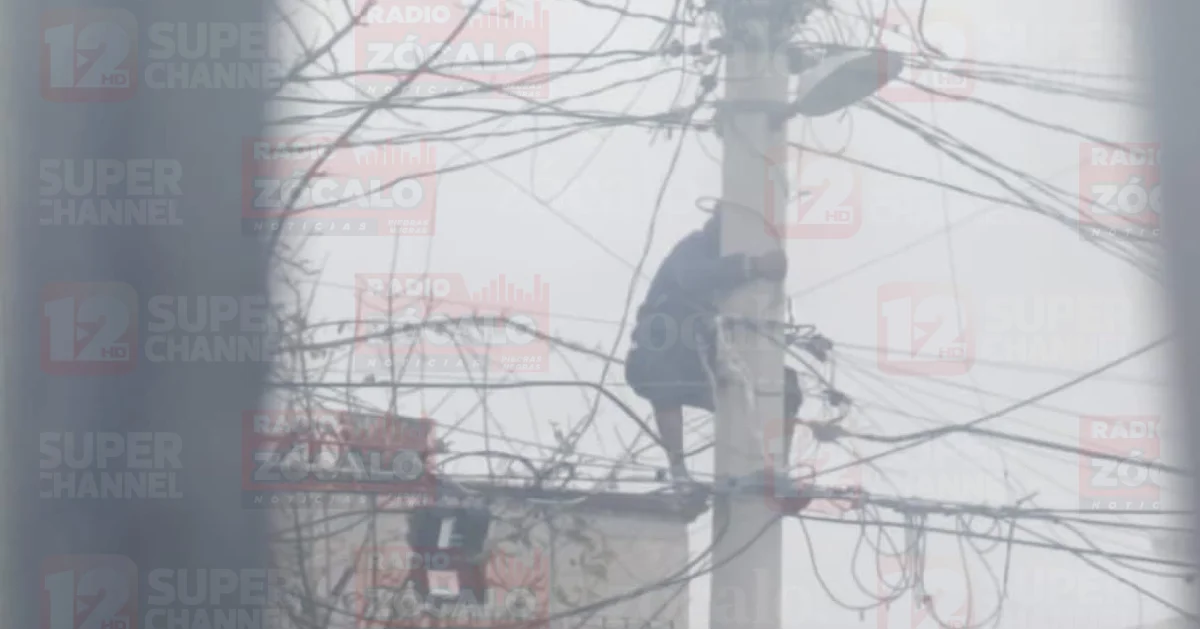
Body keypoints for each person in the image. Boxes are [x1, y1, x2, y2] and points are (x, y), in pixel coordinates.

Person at [625, 210, 803, 486]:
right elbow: (694, 277)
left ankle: (778, 468)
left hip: (710, 352)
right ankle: (679, 471)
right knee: (666, 379)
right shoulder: (695, 247)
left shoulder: (732, 271)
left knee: (784, 385)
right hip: (666, 345)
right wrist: (752, 265)